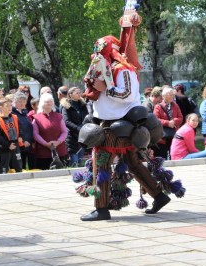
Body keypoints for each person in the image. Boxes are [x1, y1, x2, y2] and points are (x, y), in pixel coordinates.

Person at [77, 35, 185, 221]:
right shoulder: (106, 68)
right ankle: (159, 196)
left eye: (101, 49)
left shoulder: (123, 69)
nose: (97, 54)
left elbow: (127, 94)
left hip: (119, 125)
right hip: (109, 122)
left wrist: (105, 88)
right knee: (132, 163)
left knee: (102, 162)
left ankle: (101, 209)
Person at [32, 93, 69, 170]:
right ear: (42, 103)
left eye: (51, 101)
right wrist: (46, 144)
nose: (49, 103)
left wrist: (58, 142)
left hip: (60, 150)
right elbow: (35, 134)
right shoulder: (36, 118)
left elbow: (64, 132)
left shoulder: (59, 116)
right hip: (43, 153)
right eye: (46, 101)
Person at [0, 97, 23, 173]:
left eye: (10, 105)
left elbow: (20, 128)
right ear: (1, 107)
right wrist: (7, 145)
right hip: (5, 146)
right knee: (4, 166)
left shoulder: (15, 117)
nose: (10, 108)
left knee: (18, 164)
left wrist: (20, 136)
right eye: (7, 106)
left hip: (15, 143)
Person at [61, 87, 89, 167]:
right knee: (74, 162)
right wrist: (79, 129)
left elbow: (87, 118)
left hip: (82, 137)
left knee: (80, 162)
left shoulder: (83, 105)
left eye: (79, 92)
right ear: (70, 94)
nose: (79, 94)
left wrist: (84, 129)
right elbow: (66, 121)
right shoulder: (66, 106)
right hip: (72, 137)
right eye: (76, 92)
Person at [153, 87, 183, 159]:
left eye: (172, 94)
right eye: (169, 94)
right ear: (163, 96)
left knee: (173, 155)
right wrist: (167, 123)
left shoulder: (175, 105)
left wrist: (173, 121)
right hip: (162, 136)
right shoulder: (158, 107)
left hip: (173, 134)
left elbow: (181, 118)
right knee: (162, 156)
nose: (171, 96)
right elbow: (155, 119)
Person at [11, 92, 34, 170]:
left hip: (27, 145)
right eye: (19, 101)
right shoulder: (12, 114)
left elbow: (29, 128)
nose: (22, 103)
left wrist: (30, 141)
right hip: (19, 145)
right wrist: (23, 141)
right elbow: (14, 129)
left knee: (24, 167)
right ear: (14, 102)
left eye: (24, 101)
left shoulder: (24, 113)